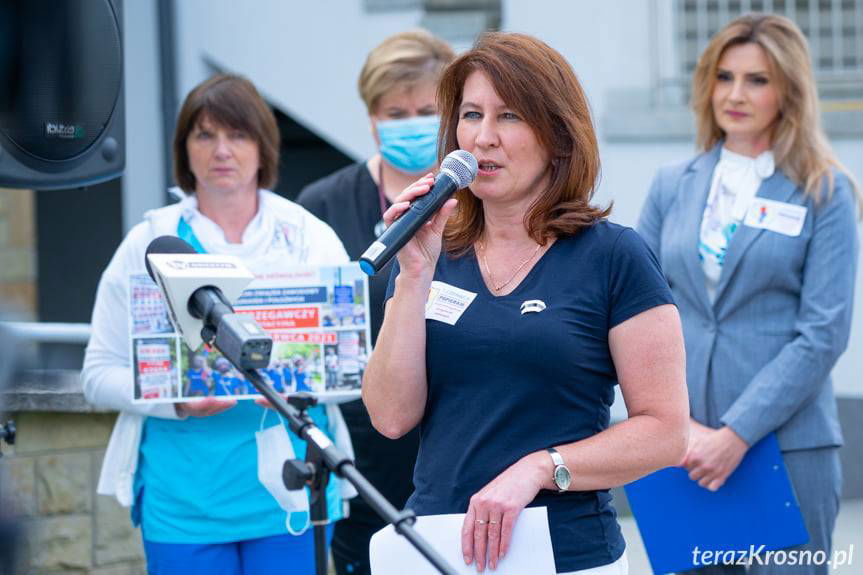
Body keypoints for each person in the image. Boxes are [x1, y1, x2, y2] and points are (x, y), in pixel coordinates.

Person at [363, 32, 690, 575]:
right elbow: (391, 418)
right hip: (436, 548)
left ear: (557, 134)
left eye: (509, 116)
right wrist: (413, 275)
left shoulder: (613, 256)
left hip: (563, 553)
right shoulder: (434, 252)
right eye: (471, 115)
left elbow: (665, 431)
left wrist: (542, 467)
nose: (483, 137)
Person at [82, 74, 355, 575]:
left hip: (291, 498)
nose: (222, 150)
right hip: (183, 500)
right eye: (204, 135)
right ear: (184, 150)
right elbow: (97, 374)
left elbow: (355, 371)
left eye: (238, 134)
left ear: (263, 146)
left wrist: (294, 377)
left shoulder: (310, 239)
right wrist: (177, 401)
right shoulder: (149, 242)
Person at [637, 13, 860, 574]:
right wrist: (677, 424)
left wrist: (736, 433)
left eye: (757, 80)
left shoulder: (824, 191)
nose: (735, 94)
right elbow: (636, 312)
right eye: (724, 76)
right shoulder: (671, 185)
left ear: (789, 90)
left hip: (786, 446)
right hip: (683, 448)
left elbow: (823, 334)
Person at [296, 29, 455, 575]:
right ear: (371, 118)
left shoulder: (480, 199)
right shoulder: (323, 204)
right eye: (396, 111)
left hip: (460, 447)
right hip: (361, 457)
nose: (412, 121)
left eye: (426, 110)